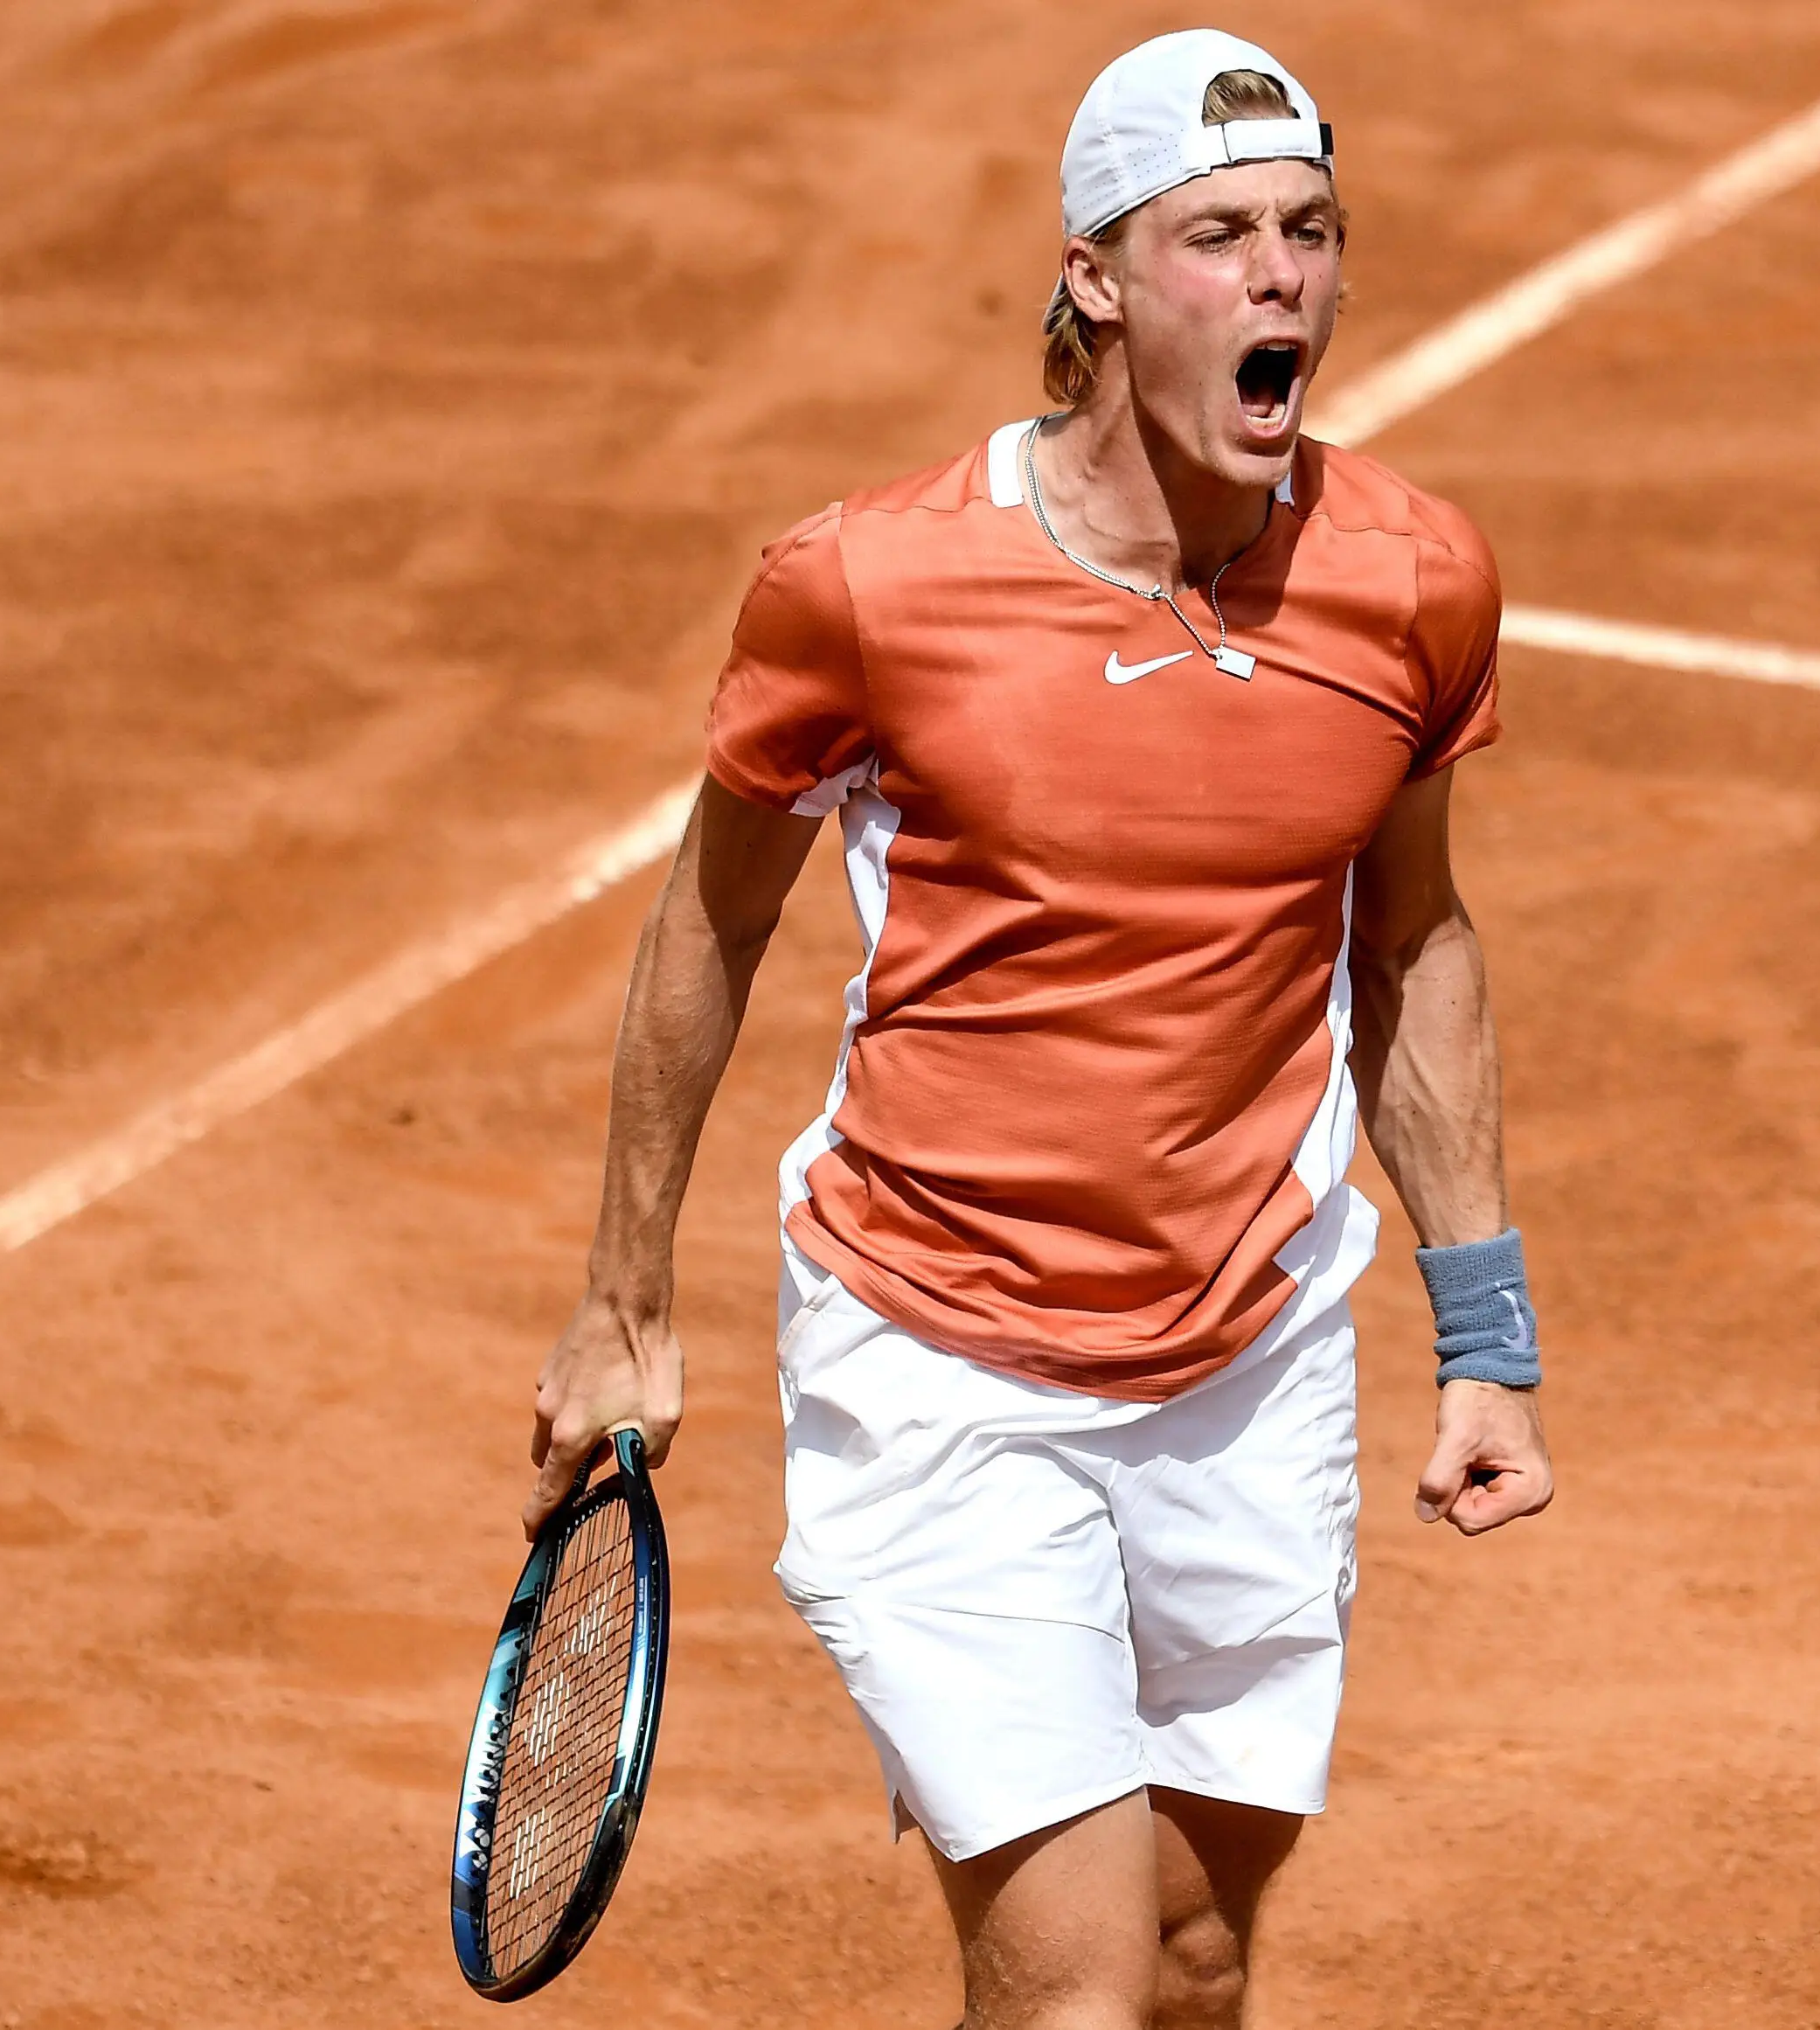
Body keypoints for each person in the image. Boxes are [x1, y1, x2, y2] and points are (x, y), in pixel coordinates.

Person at [522, 30, 1553, 2028]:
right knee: (1073, 1992)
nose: (1283, 282)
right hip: (941, 1361)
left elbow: (1412, 938)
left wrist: (1487, 1336)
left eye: (1314, 235)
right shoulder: (867, 588)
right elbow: (703, 932)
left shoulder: (1413, 580)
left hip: (1248, 1361)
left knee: (1186, 1963)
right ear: (1095, 277)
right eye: (1220, 236)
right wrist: (623, 1293)